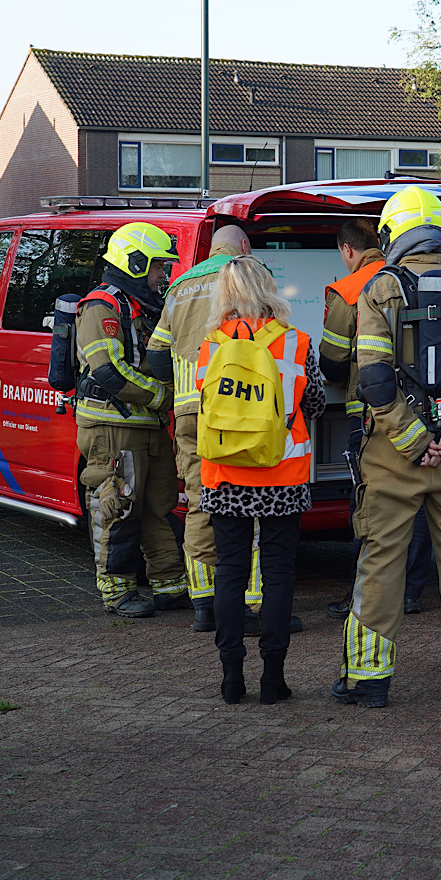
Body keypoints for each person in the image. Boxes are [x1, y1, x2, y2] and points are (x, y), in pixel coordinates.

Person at [336, 187, 441, 707]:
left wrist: (415, 441)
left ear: (392, 235)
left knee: (382, 558)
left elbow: (374, 378)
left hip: (393, 455)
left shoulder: (380, 289)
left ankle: (369, 680)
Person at [196, 256, 326, 704]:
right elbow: (315, 403)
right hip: (282, 476)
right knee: (278, 573)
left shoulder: (210, 346)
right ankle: (274, 678)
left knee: (230, 573)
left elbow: (206, 407)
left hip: (225, 476)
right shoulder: (297, 343)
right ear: (269, 289)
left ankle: (231, 678)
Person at [75, 222, 185, 618]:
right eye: (158, 267)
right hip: (113, 427)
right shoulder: (102, 306)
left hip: (149, 426)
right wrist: (160, 396)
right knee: (117, 505)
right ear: (134, 262)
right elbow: (108, 370)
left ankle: (170, 584)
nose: (163, 275)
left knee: (160, 506)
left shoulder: (148, 306)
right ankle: (117, 591)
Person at [145, 223, 250, 633]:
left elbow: (156, 355)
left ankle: (203, 604)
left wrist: (180, 384)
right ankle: (250, 603)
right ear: (242, 247)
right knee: (247, 500)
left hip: (188, 409)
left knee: (199, 499)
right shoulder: (245, 274)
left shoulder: (179, 286)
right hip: (236, 407)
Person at [319, 219, 387, 620]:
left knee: (367, 504)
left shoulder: (348, 290)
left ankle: (361, 597)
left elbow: (332, 362)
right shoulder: (404, 278)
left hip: (367, 415)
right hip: (417, 413)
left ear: (348, 251)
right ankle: (411, 591)